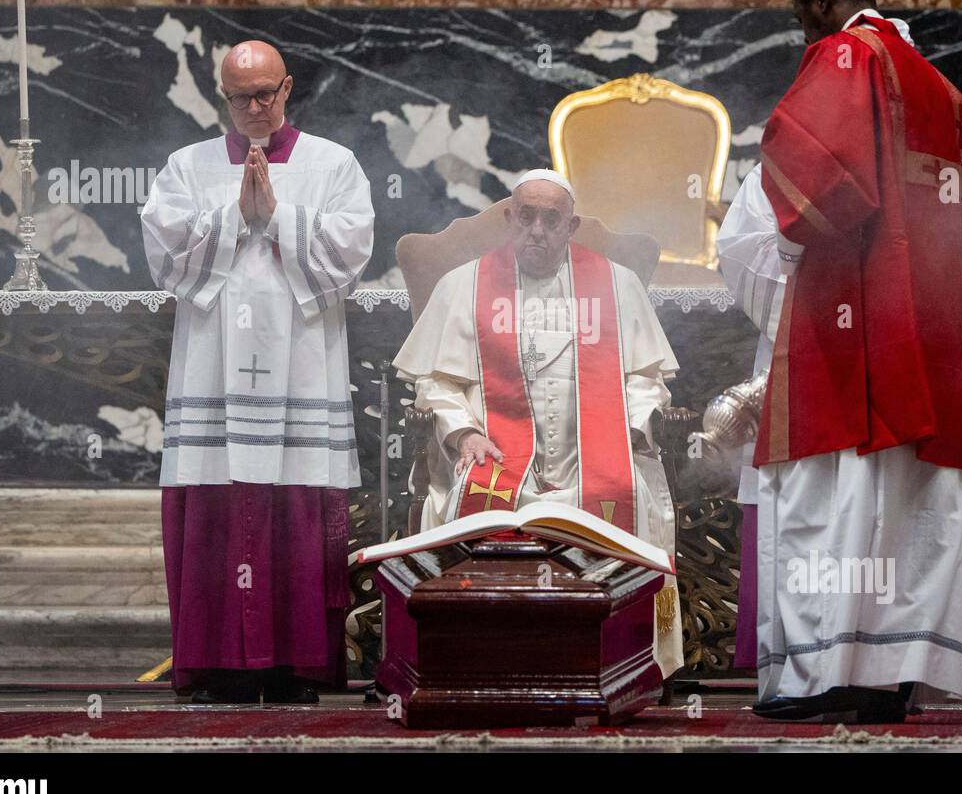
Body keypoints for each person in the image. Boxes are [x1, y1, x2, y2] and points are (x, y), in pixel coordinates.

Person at [739, 0, 962, 723]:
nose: (802, 37)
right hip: (930, 324)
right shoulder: (941, 88)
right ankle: (889, 676)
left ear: (821, 1)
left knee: (834, 494)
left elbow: (816, 175)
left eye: (799, 19)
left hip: (853, 322)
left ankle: (825, 674)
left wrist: (781, 229)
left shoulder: (848, 55)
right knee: (906, 501)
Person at [141, 40, 374, 704]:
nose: (253, 108)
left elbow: (350, 251)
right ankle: (216, 666)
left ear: (288, 87)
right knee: (217, 503)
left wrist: (277, 217)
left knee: (296, 508)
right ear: (222, 95)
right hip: (212, 368)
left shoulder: (335, 164)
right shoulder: (185, 168)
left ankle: (295, 668)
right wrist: (231, 219)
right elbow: (166, 254)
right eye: (239, 96)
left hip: (302, 365)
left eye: (264, 93)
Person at [392, 169, 684, 677]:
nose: (538, 230)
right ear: (510, 217)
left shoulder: (618, 285)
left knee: (626, 485)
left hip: (594, 458)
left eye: (552, 219)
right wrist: (464, 433)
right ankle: (475, 662)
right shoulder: (464, 286)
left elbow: (647, 379)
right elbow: (436, 384)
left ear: (570, 227)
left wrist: (628, 428)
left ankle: (624, 661)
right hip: (497, 458)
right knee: (475, 492)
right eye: (526, 216)